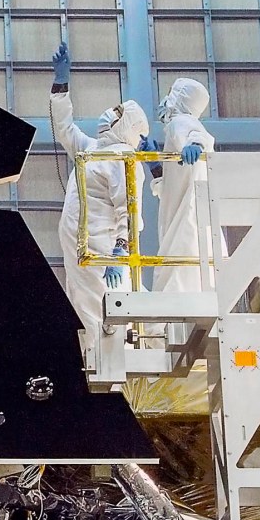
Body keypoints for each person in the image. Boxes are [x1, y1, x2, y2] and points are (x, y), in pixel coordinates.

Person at [49, 42, 150, 352]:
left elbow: (129, 210)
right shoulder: (92, 149)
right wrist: (61, 85)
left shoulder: (122, 157)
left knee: (97, 316)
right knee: (81, 313)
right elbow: (63, 128)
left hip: (101, 253)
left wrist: (121, 251)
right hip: (80, 252)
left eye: (118, 112)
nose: (109, 113)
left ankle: (107, 380)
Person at [152, 77, 215, 293]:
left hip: (186, 227)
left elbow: (197, 135)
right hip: (186, 222)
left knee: (173, 282)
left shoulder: (179, 122)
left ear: (178, 98)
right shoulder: (179, 128)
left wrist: (196, 144)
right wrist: (156, 168)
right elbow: (172, 186)